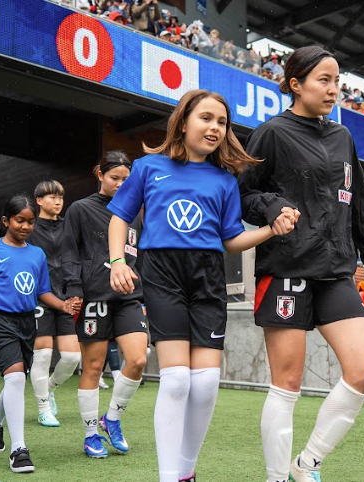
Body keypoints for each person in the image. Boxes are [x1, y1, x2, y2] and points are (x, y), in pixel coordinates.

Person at [108, 90, 296, 482]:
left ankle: (186, 473)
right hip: (162, 273)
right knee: (176, 380)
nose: (215, 128)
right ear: (182, 122)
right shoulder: (148, 167)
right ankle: (167, 477)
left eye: (222, 122)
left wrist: (269, 229)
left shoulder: (225, 181)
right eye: (206, 118)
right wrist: (118, 262)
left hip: (209, 276)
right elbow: (120, 217)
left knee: (207, 384)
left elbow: (231, 240)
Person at [239, 45, 364, 482]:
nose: (333, 89)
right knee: (287, 385)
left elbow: (358, 201)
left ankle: (306, 464)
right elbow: (242, 194)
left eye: (337, 81)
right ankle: (275, 478)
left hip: (336, 271)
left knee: (363, 372)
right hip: (286, 268)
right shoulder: (271, 133)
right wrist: (271, 206)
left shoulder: (343, 137)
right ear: (296, 84)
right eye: (324, 80)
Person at [0, 195, 75, 473]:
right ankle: (18, 449)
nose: (25, 226)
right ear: (5, 221)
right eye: (19, 220)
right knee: (15, 376)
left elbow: (42, 291)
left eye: (30, 222)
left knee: (16, 378)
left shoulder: (37, 254)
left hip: (27, 321)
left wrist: (62, 305)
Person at [62, 151, 148, 460]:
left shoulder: (135, 213)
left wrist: (146, 294)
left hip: (129, 297)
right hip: (93, 297)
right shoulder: (80, 209)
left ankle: (111, 419)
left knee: (138, 360)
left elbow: (142, 255)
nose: (121, 184)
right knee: (94, 367)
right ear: (100, 174)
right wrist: (73, 289)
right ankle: (90, 435)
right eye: (115, 178)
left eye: (126, 179)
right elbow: (69, 252)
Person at [27, 180, 81, 428]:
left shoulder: (69, 226)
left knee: (71, 357)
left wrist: (76, 291)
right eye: (51, 197)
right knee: (43, 356)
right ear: (39, 201)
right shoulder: (29, 228)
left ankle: (48, 388)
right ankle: (43, 409)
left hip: (66, 298)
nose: (58, 201)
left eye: (60, 197)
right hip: (38, 298)